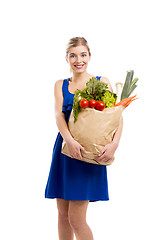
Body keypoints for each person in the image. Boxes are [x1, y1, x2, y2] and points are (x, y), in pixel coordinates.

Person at [45, 37, 123, 240]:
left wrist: (114, 144)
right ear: (66, 58)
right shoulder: (60, 85)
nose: (78, 60)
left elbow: (115, 116)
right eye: (73, 55)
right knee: (62, 216)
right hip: (65, 150)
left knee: (76, 219)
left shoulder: (101, 82)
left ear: (89, 56)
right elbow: (58, 116)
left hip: (87, 153)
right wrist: (69, 141)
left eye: (82, 54)